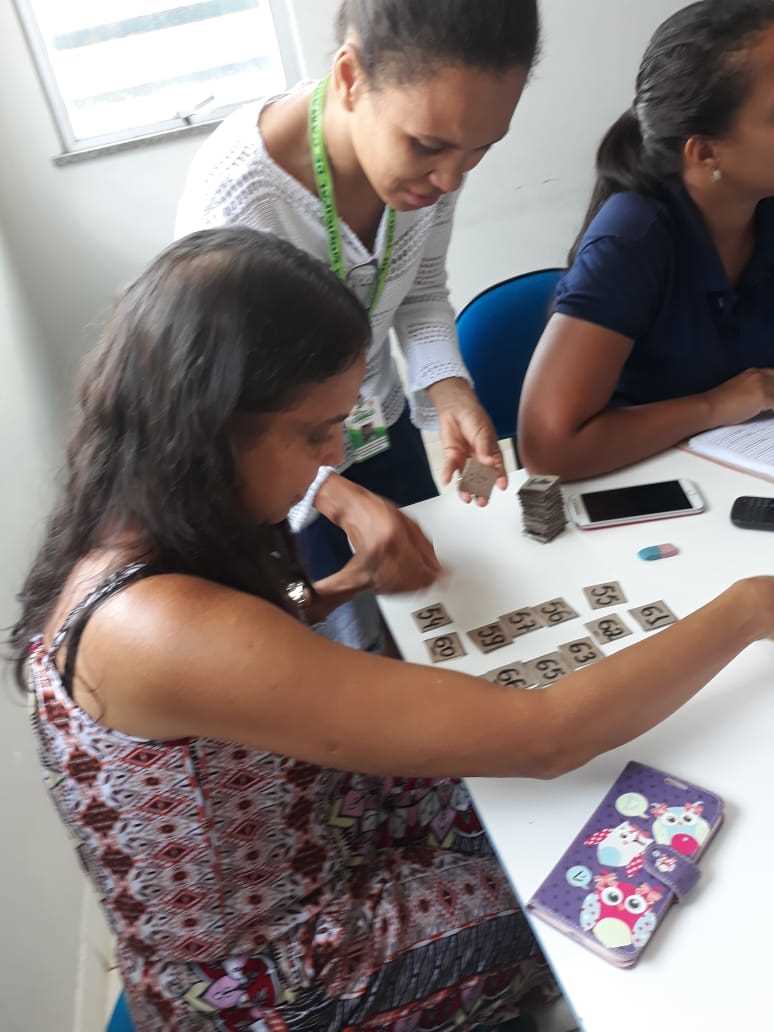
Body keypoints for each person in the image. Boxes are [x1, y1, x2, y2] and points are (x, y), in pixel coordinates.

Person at [13, 227, 774, 1030]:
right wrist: (749, 606)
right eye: (313, 432)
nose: (332, 458)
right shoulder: (160, 628)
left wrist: (339, 586)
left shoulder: (128, 537)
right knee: (594, 886)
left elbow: (239, 664)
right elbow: (546, 737)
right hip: (276, 980)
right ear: (205, 427)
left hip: (316, 837)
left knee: (554, 790)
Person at [176, 0, 541, 650]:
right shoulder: (236, 203)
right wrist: (333, 495)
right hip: (276, 461)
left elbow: (420, 292)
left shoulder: (434, 167)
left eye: (481, 149)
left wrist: (448, 389)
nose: (451, 178)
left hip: (377, 422)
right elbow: (233, 413)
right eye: (427, 146)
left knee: (434, 624)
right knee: (352, 651)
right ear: (350, 77)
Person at [518, 0, 774, 481]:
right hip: (650, 495)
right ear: (704, 152)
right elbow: (548, 447)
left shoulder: (764, 204)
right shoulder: (633, 237)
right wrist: (716, 405)